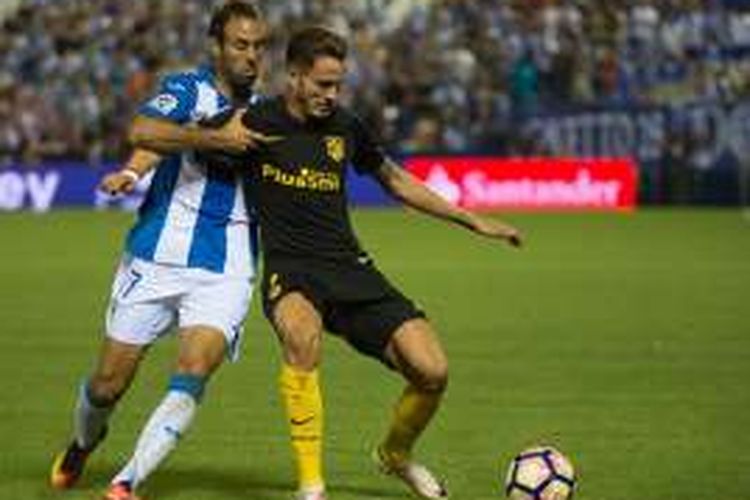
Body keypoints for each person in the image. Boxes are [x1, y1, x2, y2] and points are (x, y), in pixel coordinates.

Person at [233, 26, 523, 500]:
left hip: (350, 267)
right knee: (302, 340)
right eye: (322, 84)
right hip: (292, 268)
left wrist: (470, 220)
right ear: (293, 76)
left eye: (338, 85)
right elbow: (187, 143)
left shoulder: (345, 127)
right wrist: (135, 169)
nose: (332, 94)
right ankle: (311, 487)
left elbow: (396, 180)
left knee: (432, 372)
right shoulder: (254, 122)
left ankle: (395, 455)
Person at [49, 3, 274, 500]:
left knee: (195, 368)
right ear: (217, 46)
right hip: (156, 253)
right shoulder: (186, 89)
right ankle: (85, 442)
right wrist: (140, 168)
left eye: (259, 46)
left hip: (228, 264)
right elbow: (144, 132)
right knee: (108, 385)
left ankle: (128, 481)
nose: (252, 56)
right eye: (241, 44)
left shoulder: (270, 109)